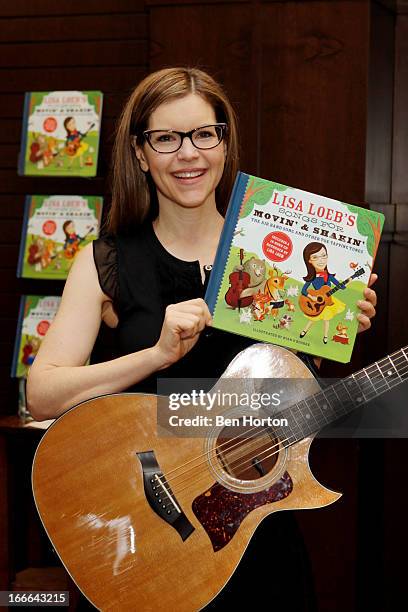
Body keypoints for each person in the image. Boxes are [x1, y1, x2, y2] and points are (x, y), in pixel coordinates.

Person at [26, 67, 377, 610]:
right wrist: (158, 354)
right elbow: (42, 394)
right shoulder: (105, 263)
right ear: (141, 153)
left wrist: (334, 331)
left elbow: (284, 406)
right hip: (149, 545)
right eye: (166, 138)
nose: (187, 154)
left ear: (224, 142)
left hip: (259, 536)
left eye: (203, 134)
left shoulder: (277, 257)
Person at [300, 242, 346, 344]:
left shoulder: (329, 276)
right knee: (313, 319)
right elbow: (303, 291)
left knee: (326, 320)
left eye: (324, 256)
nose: (321, 260)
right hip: (316, 301)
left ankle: (325, 336)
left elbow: (341, 287)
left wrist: (349, 280)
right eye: (315, 257)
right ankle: (304, 331)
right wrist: (312, 297)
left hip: (328, 301)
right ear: (309, 261)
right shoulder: (312, 278)